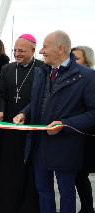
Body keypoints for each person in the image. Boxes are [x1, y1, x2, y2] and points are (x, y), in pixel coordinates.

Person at [13, 31, 95, 213]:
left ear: (60, 48)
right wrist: (24, 113)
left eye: (45, 46)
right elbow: (38, 102)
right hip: (39, 144)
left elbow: (93, 113)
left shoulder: (87, 76)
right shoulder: (42, 72)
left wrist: (64, 124)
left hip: (66, 147)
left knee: (66, 194)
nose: (41, 51)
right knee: (43, 190)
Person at [0, 34, 43, 213]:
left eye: (21, 51)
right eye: (15, 50)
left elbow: (41, 98)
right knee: (7, 166)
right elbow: (1, 94)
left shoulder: (42, 68)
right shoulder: (7, 68)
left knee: (27, 168)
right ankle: (5, 204)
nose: (17, 54)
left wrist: (25, 114)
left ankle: (27, 207)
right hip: (8, 126)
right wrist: (1, 110)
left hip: (30, 127)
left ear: (33, 50)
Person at [72, 46, 95, 213]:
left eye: (77, 58)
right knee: (78, 175)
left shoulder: (91, 79)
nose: (73, 62)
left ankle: (87, 209)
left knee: (81, 175)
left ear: (87, 61)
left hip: (89, 135)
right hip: (75, 134)